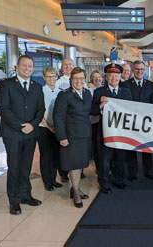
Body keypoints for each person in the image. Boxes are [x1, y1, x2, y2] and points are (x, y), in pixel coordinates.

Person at [0, 55, 45, 215]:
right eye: (24, 65)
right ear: (18, 66)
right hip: (12, 133)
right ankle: (14, 200)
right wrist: (19, 126)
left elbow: (40, 110)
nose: (27, 68)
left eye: (30, 66)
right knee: (14, 167)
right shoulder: (6, 85)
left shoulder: (37, 87)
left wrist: (32, 124)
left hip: (30, 133)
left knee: (26, 166)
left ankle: (26, 195)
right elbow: (3, 108)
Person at [53, 67, 92, 208]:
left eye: (81, 78)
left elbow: (90, 110)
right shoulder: (64, 95)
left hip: (85, 135)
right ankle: (76, 192)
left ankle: (77, 188)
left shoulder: (87, 94)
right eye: (76, 78)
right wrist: (62, 137)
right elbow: (58, 117)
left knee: (80, 164)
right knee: (74, 166)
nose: (79, 81)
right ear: (71, 80)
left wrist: (103, 104)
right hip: (71, 136)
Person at [91, 63, 132, 193]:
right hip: (104, 132)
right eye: (111, 75)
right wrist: (100, 105)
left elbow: (131, 111)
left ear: (120, 76)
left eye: (116, 75)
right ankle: (104, 184)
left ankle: (119, 180)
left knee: (120, 158)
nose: (114, 78)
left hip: (121, 133)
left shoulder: (126, 92)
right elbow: (92, 111)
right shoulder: (99, 92)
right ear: (106, 77)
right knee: (104, 160)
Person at [120, 60, 153, 181]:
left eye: (141, 69)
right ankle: (132, 172)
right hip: (131, 122)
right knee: (131, 148)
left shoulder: (151, 85)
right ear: (132, 70)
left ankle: (149, 171)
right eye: (136, 69)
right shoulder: (125, 85)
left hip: (147, 122)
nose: (139, 71)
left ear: (144, 71)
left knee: (147, 147)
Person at [37, 67, 63, 191]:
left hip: (57, 128)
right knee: (45, 155)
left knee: (55, 155)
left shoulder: (61, 91)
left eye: (53, 76)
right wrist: (49, 126)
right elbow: (38, 112)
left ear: (57, 77)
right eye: (48, 76)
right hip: (43, 128)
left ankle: (53, 179)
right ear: (44, 78)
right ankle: (47, 181)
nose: (51, 78)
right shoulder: (40, 91)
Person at [88, 70, 104, 168]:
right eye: (95, 77)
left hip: (104, 121)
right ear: (91, 79)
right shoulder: (89, 91)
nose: (97, 79)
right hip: (93, 121)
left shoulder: (105, 90)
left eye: (99, 77)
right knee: (95, 144)